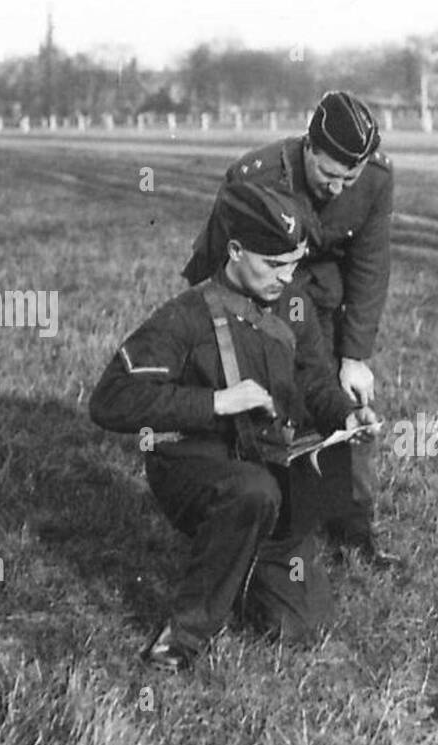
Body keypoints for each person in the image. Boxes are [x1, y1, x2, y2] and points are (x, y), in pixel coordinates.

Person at [90, 182, 378, 672]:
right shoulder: (185, 316)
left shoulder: (293, 306)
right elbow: (110, 400)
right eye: (273, 264)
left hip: (267, 466)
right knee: (254, 492)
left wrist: (343, 415)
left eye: (293, 264)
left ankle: (240, 561)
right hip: (194, 466)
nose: (285, 277)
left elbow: (312, 381)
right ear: (236, 250)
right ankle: (182, 636)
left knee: (301, 626)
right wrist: (216, 402)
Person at [181, 90, 400, 569]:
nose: (339, 189)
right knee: (273, 397)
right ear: (308, 146)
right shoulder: (255, 178)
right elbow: (215, 262)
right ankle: (259, 520)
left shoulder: (375, 181)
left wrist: (355, 356)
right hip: (263, 294)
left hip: (323, 293)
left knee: (348, 401)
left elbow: (370, 265)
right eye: (328, 175)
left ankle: (354, 527)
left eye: (351, 178)